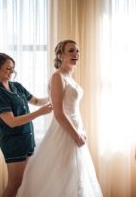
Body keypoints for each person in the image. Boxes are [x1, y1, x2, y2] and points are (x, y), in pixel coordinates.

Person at [17, 40, 103, 197]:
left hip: (75, 129)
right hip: (64, 131)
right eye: (71, 51)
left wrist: (82, 130)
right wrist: (76, 135)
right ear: (61, 55)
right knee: (62, 174)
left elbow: (74, 109)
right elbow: (59, 113)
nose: (76, 54)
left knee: (75, 174)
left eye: (77, 51)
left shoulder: (68, 76)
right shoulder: (57, 77)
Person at [0, 53, 53, 197]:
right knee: (14, 184)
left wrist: (54, 96)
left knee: (24, 181)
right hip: (13, 143)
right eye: (7, 69)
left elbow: (35, 101)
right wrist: (40, 113)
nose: (11, 72)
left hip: (26, 139)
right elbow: (11, 122)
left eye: (13, 69)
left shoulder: (16, 86)